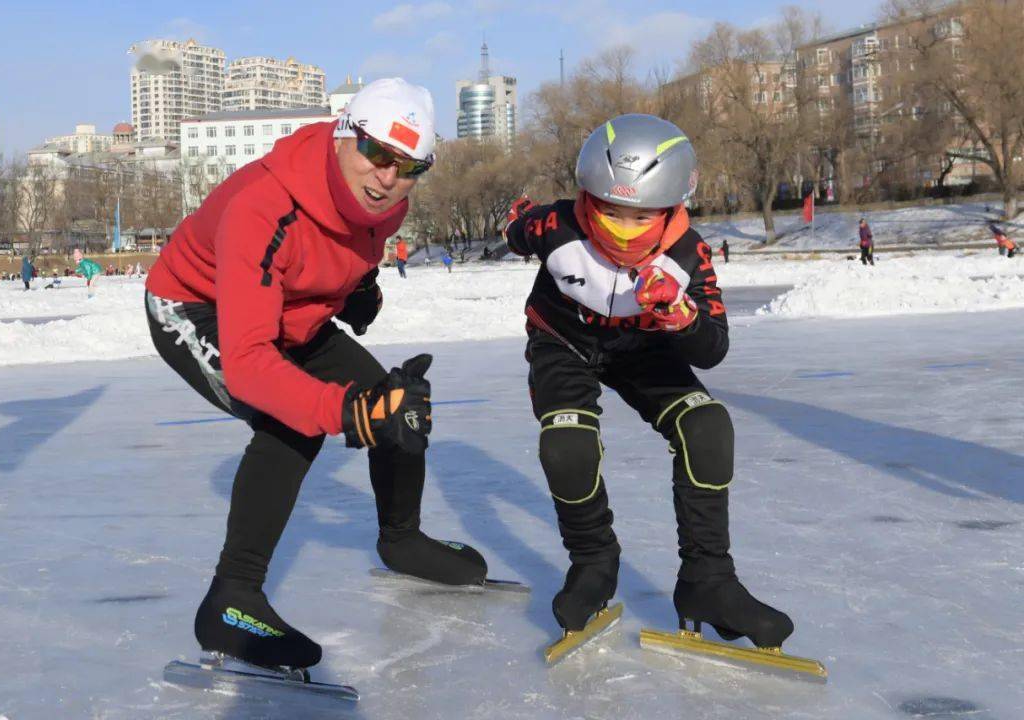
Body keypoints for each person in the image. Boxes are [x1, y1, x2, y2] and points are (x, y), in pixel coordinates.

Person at [143, 78, 488, 674]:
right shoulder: (265, 204)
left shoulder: (386, 203)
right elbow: (250, 363)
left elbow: (342, 251)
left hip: (291, 315)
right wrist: (344, 411)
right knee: (289, 421)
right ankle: (231, 600)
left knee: (394, 401)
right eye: (378, 154)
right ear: (342, 136)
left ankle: (401, 538)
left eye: (409, 167)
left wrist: (359, 290)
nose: (388, 177)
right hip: (198, 307)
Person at [504, 114, 793, 654]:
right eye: (609, 211)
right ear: (587, 195)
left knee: (707, 427)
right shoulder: (557, 225)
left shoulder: (687, 254)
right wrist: (514, 221)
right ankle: (593, 562)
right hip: (562, 340)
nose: (621, 228)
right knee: (566, 445)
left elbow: (713, 348)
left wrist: (680, 316)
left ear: (671, 208)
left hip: (642, 347)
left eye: (640, 216)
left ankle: (709, 579)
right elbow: (519, 229)